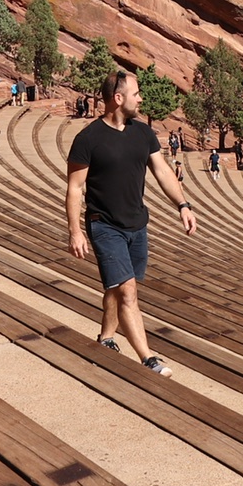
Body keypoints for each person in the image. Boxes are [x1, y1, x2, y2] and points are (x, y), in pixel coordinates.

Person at [66, 69, 199, 378]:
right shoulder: (88, 139)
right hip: (104, 225)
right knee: (127, 291)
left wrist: (183, 205)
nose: (141, 99)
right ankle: (148, 357)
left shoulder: (143, 133)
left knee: (118, 286)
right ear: (118, 98)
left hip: (137, 225)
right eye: (136, 94)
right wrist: (75, 231)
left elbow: (163, 171)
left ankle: (107, 337)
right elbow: (74, 188)